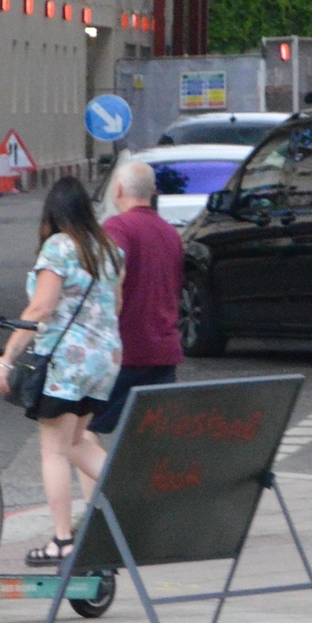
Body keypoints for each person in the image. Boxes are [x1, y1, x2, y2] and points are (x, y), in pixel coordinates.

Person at [0, 174, 123, 567]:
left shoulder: (59, 247)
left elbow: (41, 308)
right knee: (78, 441)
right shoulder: (109, 248)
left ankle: (63, 540)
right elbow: (114, 305)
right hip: (106, 359)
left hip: (67, 360)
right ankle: (133, 491)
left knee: (53, 450)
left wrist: (7, 358)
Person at [94, 158, 182, 435]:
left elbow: (112, 279)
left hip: (127, 349)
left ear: (117, 190)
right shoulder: (171, 233)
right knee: (147, 436)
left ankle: (103, 480)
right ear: (153, 191)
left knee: (80, 430)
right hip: (165, 350)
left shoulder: (117, 228)